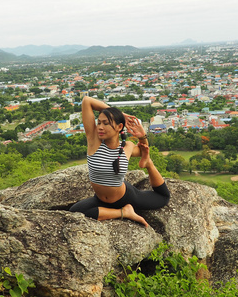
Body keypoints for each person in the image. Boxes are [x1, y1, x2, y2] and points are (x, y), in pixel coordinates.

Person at [69, 96, 170, 227]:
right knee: (73, 213)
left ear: (119, 127)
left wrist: (142, 137)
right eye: (99, 122)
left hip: (125, 196)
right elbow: (87, 101)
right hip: (100, 199)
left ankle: (149, 164)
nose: (100, 127)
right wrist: (118, 113)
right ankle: (124, 212)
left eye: (106, 123)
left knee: (163, 198)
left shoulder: (126, 146)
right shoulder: (94, 141)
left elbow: (142, 150)